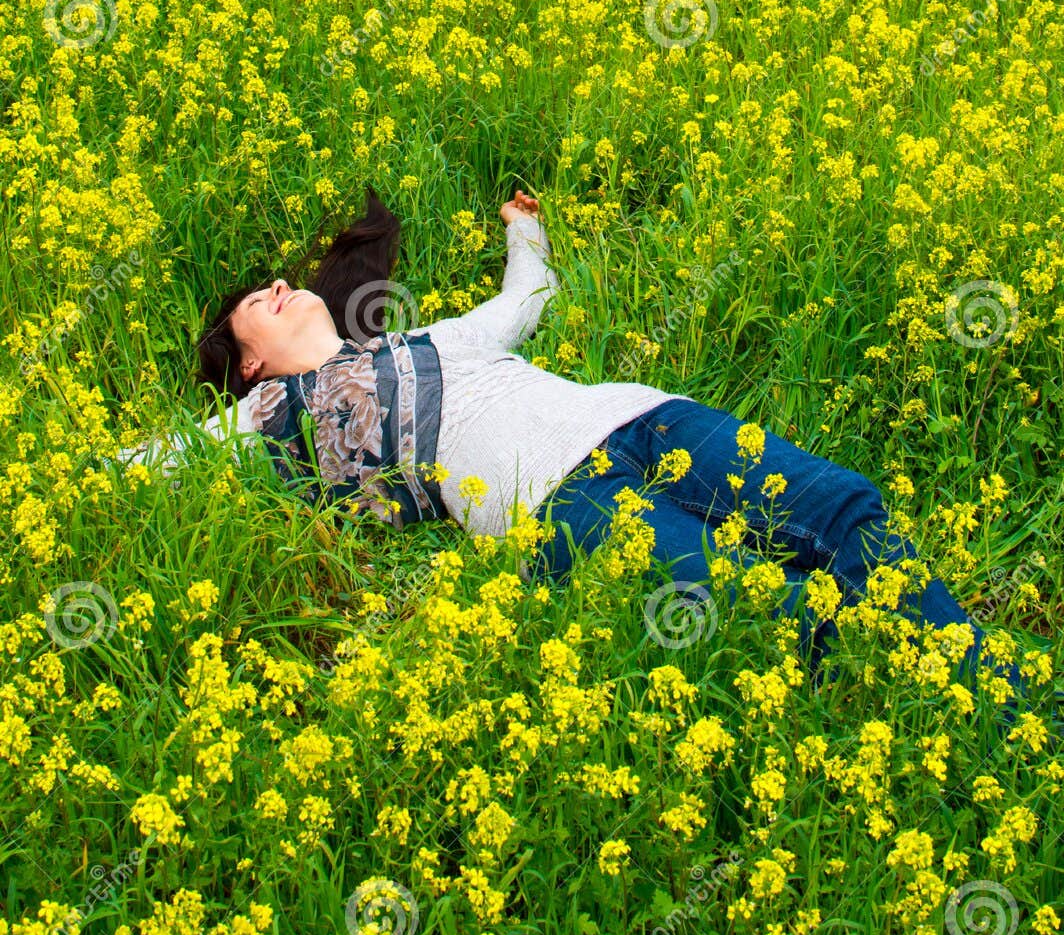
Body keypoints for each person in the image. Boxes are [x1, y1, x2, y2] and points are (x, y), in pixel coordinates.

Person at [179, 187, 1018, 701]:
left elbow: (525, 300)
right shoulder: (264, 421)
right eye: (260, 299)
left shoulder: (432, 336)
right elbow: (143, 463)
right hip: (567, 509)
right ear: (248, 363)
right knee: (770, 609)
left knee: (844, 512)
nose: (282, 286)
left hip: (648, 420)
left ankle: (1007, 688)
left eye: (280, 281)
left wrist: (522, 228)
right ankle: (944, 712)